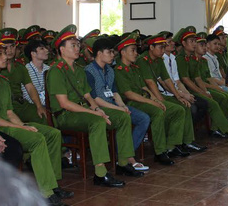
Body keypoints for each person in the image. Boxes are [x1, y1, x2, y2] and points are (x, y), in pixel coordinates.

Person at [0, 31, 71, 206]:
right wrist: (22, 128)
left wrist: (23, 125)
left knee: (52, 133)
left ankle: (53, 184)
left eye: (4, 52)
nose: (5, 55)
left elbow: (9, 112)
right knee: (37, 139)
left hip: (7, 123)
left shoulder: (4, 82)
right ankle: (46, 193)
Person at [47, 24, 136, 188]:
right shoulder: (56, 71)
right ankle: (100, 174)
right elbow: (64, 103)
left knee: (123, 117)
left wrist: (97, 108)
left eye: (77, 44)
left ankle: (123, 163)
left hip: (84, 111)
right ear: (61, 49)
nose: (77, 48)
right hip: (66, 115)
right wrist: (94, 114)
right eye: (72, 45)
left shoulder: (79, 70)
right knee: (97, 122)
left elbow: (88, 95)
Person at [84, 37, 150, 171]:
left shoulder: (110, 70)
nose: (113, 55)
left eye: (113, 52)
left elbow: (114, 92)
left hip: (113, 105)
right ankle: (126, 159)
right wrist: (118, 108)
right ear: (99, 53)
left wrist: (122, 106)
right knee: (123, 117)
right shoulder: (88, 71)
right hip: (100, 107)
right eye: (109, 52)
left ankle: (124, 151)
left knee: (143, 118)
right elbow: (95, 99)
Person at [113, 33, 179, 166]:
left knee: (170, 109)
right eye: (133, 50)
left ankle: (168, 146)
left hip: (142, 99)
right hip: (131, 102)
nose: (136, 53)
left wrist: (155, 99)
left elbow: (143, 86)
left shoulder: (134, 67)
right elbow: (129, 94)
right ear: (123, 52)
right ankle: (159, 152)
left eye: (136, 50)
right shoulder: (119, 70)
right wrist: (152, 102)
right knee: (157, 112)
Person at [136, 33, 207, 153]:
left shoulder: (158, 59)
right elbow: (150, 84)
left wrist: (179, 96)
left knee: (185, 105)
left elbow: (166, 80)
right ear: (151, 48)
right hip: (148, 95)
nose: (163, 50)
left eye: (164, 47)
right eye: (160, 47)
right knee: (176, 109)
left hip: (159, 93)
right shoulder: (143, 60)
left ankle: (184, 142)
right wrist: (161, 101)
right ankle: (171, 146)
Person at [174, 27, 228, 139]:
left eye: (195, 41)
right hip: (188, 90)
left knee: (224, 98)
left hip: (196, 88)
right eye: (192, 41)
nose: (194, 44)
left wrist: (205, 91)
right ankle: (227, 130)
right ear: (183, 43)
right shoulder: (180, 59)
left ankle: (217, 129)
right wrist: (202, 92)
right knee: (213, 103)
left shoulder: (193, 58)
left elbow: (198, 78)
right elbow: (186, 80)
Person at [0, 28, 48, 125]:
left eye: (12, 46)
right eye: (6, 47)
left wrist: (39, 106)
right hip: (3, 106)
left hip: (20, 105)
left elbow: (30, 87)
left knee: (44, 117)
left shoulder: (20, 67)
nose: (9, 50)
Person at [163, 32, 209, 124]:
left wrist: (188, 94)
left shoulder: (173, 58)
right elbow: (166, 83)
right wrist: (182, 95)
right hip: (168, 93)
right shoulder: (162, 60)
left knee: (204, 103)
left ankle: (191, 131)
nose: (173, 43)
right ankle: (187, 133)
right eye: (170, 41)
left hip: (177, 91)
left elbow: (178, 81)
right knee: (192, 108)